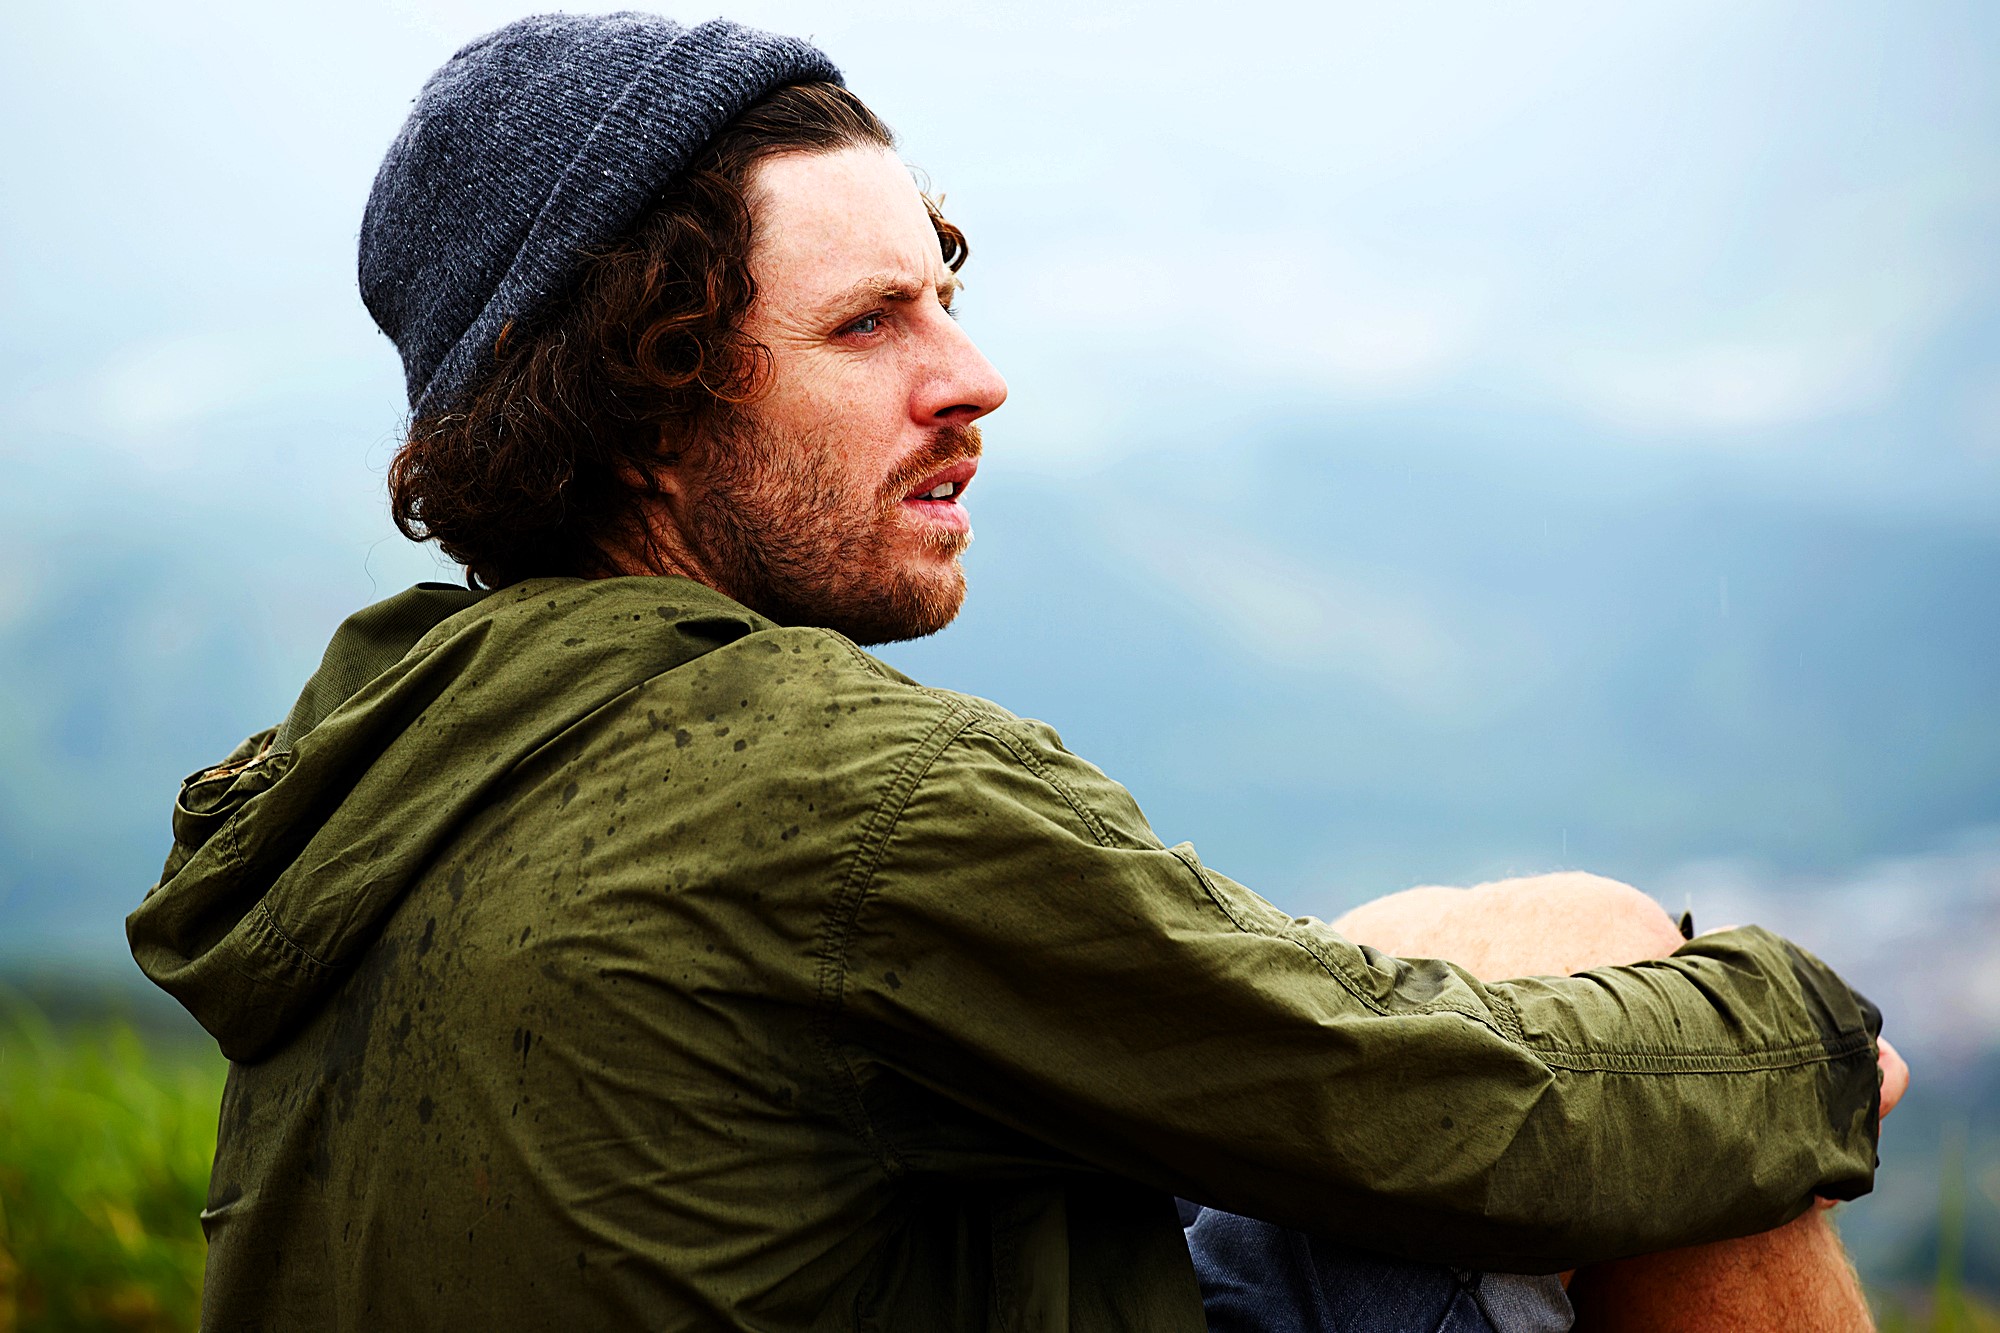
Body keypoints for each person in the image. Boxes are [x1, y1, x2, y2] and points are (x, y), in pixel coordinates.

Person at [127, 14, 1906, 1332]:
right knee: (1657, 1051)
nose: (974, 376)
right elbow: (1457, 1130)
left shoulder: (396, 754)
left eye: (943, 292)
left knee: (1501, 938)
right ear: (643, 406)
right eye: (868, 324)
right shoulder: (826, 791)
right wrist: (1806, 1039)